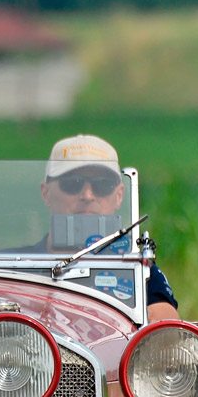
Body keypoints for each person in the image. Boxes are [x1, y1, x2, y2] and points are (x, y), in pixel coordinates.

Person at [40, 135, 180, 322]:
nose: (88, 195)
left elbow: (166, 327)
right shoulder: (12, 265)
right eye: (72, 183)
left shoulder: (137, 269)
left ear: (119, 196)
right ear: (46, 193)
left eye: (102, 185)